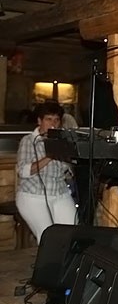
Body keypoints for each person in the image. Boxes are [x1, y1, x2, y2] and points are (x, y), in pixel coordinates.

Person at [16, 101, 77, 243]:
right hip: (33, 195)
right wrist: (50, 156)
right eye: (48, 119)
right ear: (39, 121)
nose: (53, 124)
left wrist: (70, 159)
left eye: (56, 120)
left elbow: (68, 171)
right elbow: (23, 171)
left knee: (71, 234)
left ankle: (63, 258)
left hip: (60, 193)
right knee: (48, 237)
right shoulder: (28, 141)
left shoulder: (61, 141)